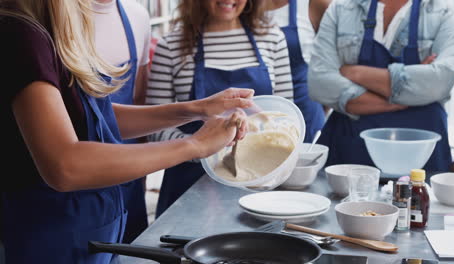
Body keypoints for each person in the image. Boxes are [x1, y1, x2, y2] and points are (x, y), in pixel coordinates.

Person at [0, 0, 254, 263]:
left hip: (91, 230)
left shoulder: (46, 31)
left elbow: (98, 119)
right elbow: (64, 165)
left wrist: (195, 109)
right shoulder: (20, 35)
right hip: (54, 237)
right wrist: (195, 144)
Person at [145, 0, 296, 218]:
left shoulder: (273, 39)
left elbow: (285, 118)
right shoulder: (171, 45)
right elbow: (153, 128)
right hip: (188, 183)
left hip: (260, 183)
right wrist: (203, 150)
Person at [308, 0, 454, 173]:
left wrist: (355, 73)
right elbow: (320, 83)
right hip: (348, 152)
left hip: (421, 156)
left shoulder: (449, 10)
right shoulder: (342, 7)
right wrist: (408, 94)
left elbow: (437, 83)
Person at [93, 0, 151, 243]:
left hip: (127, 177)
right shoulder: (50, 20)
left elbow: (139, 98)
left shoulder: (137, 16)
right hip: (72, 190)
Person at [265, 0, 332, 142]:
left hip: (305, 115)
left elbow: (331, 66)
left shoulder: (314, 4)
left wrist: (323, 108)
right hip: (256, 117)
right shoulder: (239, 7)